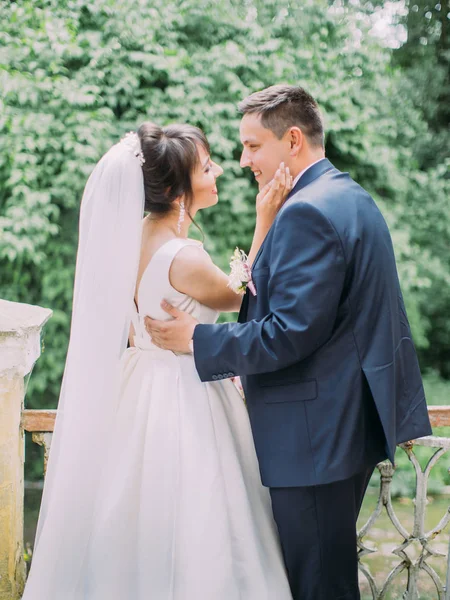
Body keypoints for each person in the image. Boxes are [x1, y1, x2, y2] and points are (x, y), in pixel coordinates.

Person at [145, 85, 433, 600]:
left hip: (314, 437)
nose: (242, 160)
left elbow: (291, 332)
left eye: (253, 145)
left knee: (320, 583)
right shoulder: (346, 195)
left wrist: (198, 339)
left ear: (293, 139)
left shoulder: (307, 213)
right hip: (339, 425)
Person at [21, 123, 294, 599]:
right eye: (207, 168)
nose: (219, 172)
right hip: (182, 391)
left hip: (138, 385)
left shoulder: (135, 237)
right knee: (197, 509)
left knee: (131, 510)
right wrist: (264, 221)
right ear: (174, 190)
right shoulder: (181, 256)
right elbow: (240, 295)